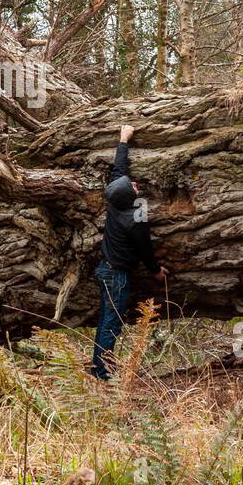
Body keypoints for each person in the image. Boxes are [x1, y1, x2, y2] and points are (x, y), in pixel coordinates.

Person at [90, 124, 167, 380]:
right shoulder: (135, 217)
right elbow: (145, 248)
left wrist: (123, 140)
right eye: (132, 187)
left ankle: (97, 369)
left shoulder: (115, 199)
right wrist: (156, 271)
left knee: (105, 322)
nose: (134, 184)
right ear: (129, 197)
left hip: (105, 270)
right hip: (116, 277)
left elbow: (119, 171)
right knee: (111, 325)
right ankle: (103, 374)